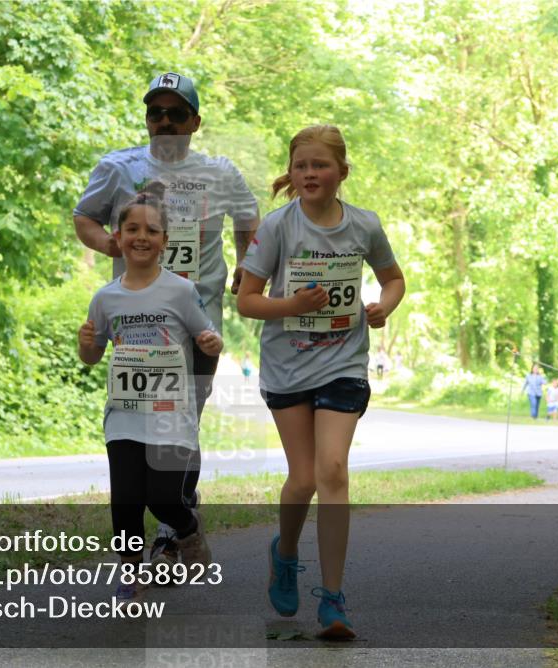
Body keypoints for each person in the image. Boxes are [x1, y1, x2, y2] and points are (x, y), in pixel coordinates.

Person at [74, 72, 259, 566]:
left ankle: (175, 526)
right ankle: (161, 531)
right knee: (137, 422)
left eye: (177, 113)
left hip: (197, 320)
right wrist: (107, 242)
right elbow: (85, 217)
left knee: (183, 424)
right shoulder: (118, 167)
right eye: (156, 112)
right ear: (147, 118)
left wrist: (246, 264)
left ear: (195, 122)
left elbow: (248, 217)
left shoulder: (220, 172)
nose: (165, 121)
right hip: (138, 321)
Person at [237, 125, 405, 639]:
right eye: (301, 166)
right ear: (292, 174)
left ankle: (332, 600)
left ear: (342, 173)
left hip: (343, 363)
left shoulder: (364, 225)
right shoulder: (277, 227)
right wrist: (292, 305)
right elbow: (246, 300)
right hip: (288, 366)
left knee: (333, 470)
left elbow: (393, 277)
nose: (310, 173)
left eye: (320, 165)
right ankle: (284, 553)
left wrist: (382, 307)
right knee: (304, 479)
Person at [78, 183, 222, 603]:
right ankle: (130, 575)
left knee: (162, 498)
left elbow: (205, 335)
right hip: (124, 414)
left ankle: (190, 530)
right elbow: (92, 354)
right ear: (117, 237)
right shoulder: (105, 298)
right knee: (124, 502)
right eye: (132, 229)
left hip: (170, 414)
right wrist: (86, 341)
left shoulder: (180, 290)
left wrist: (212, 344)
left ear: (164, 241)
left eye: (152, 230)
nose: (141, 237)